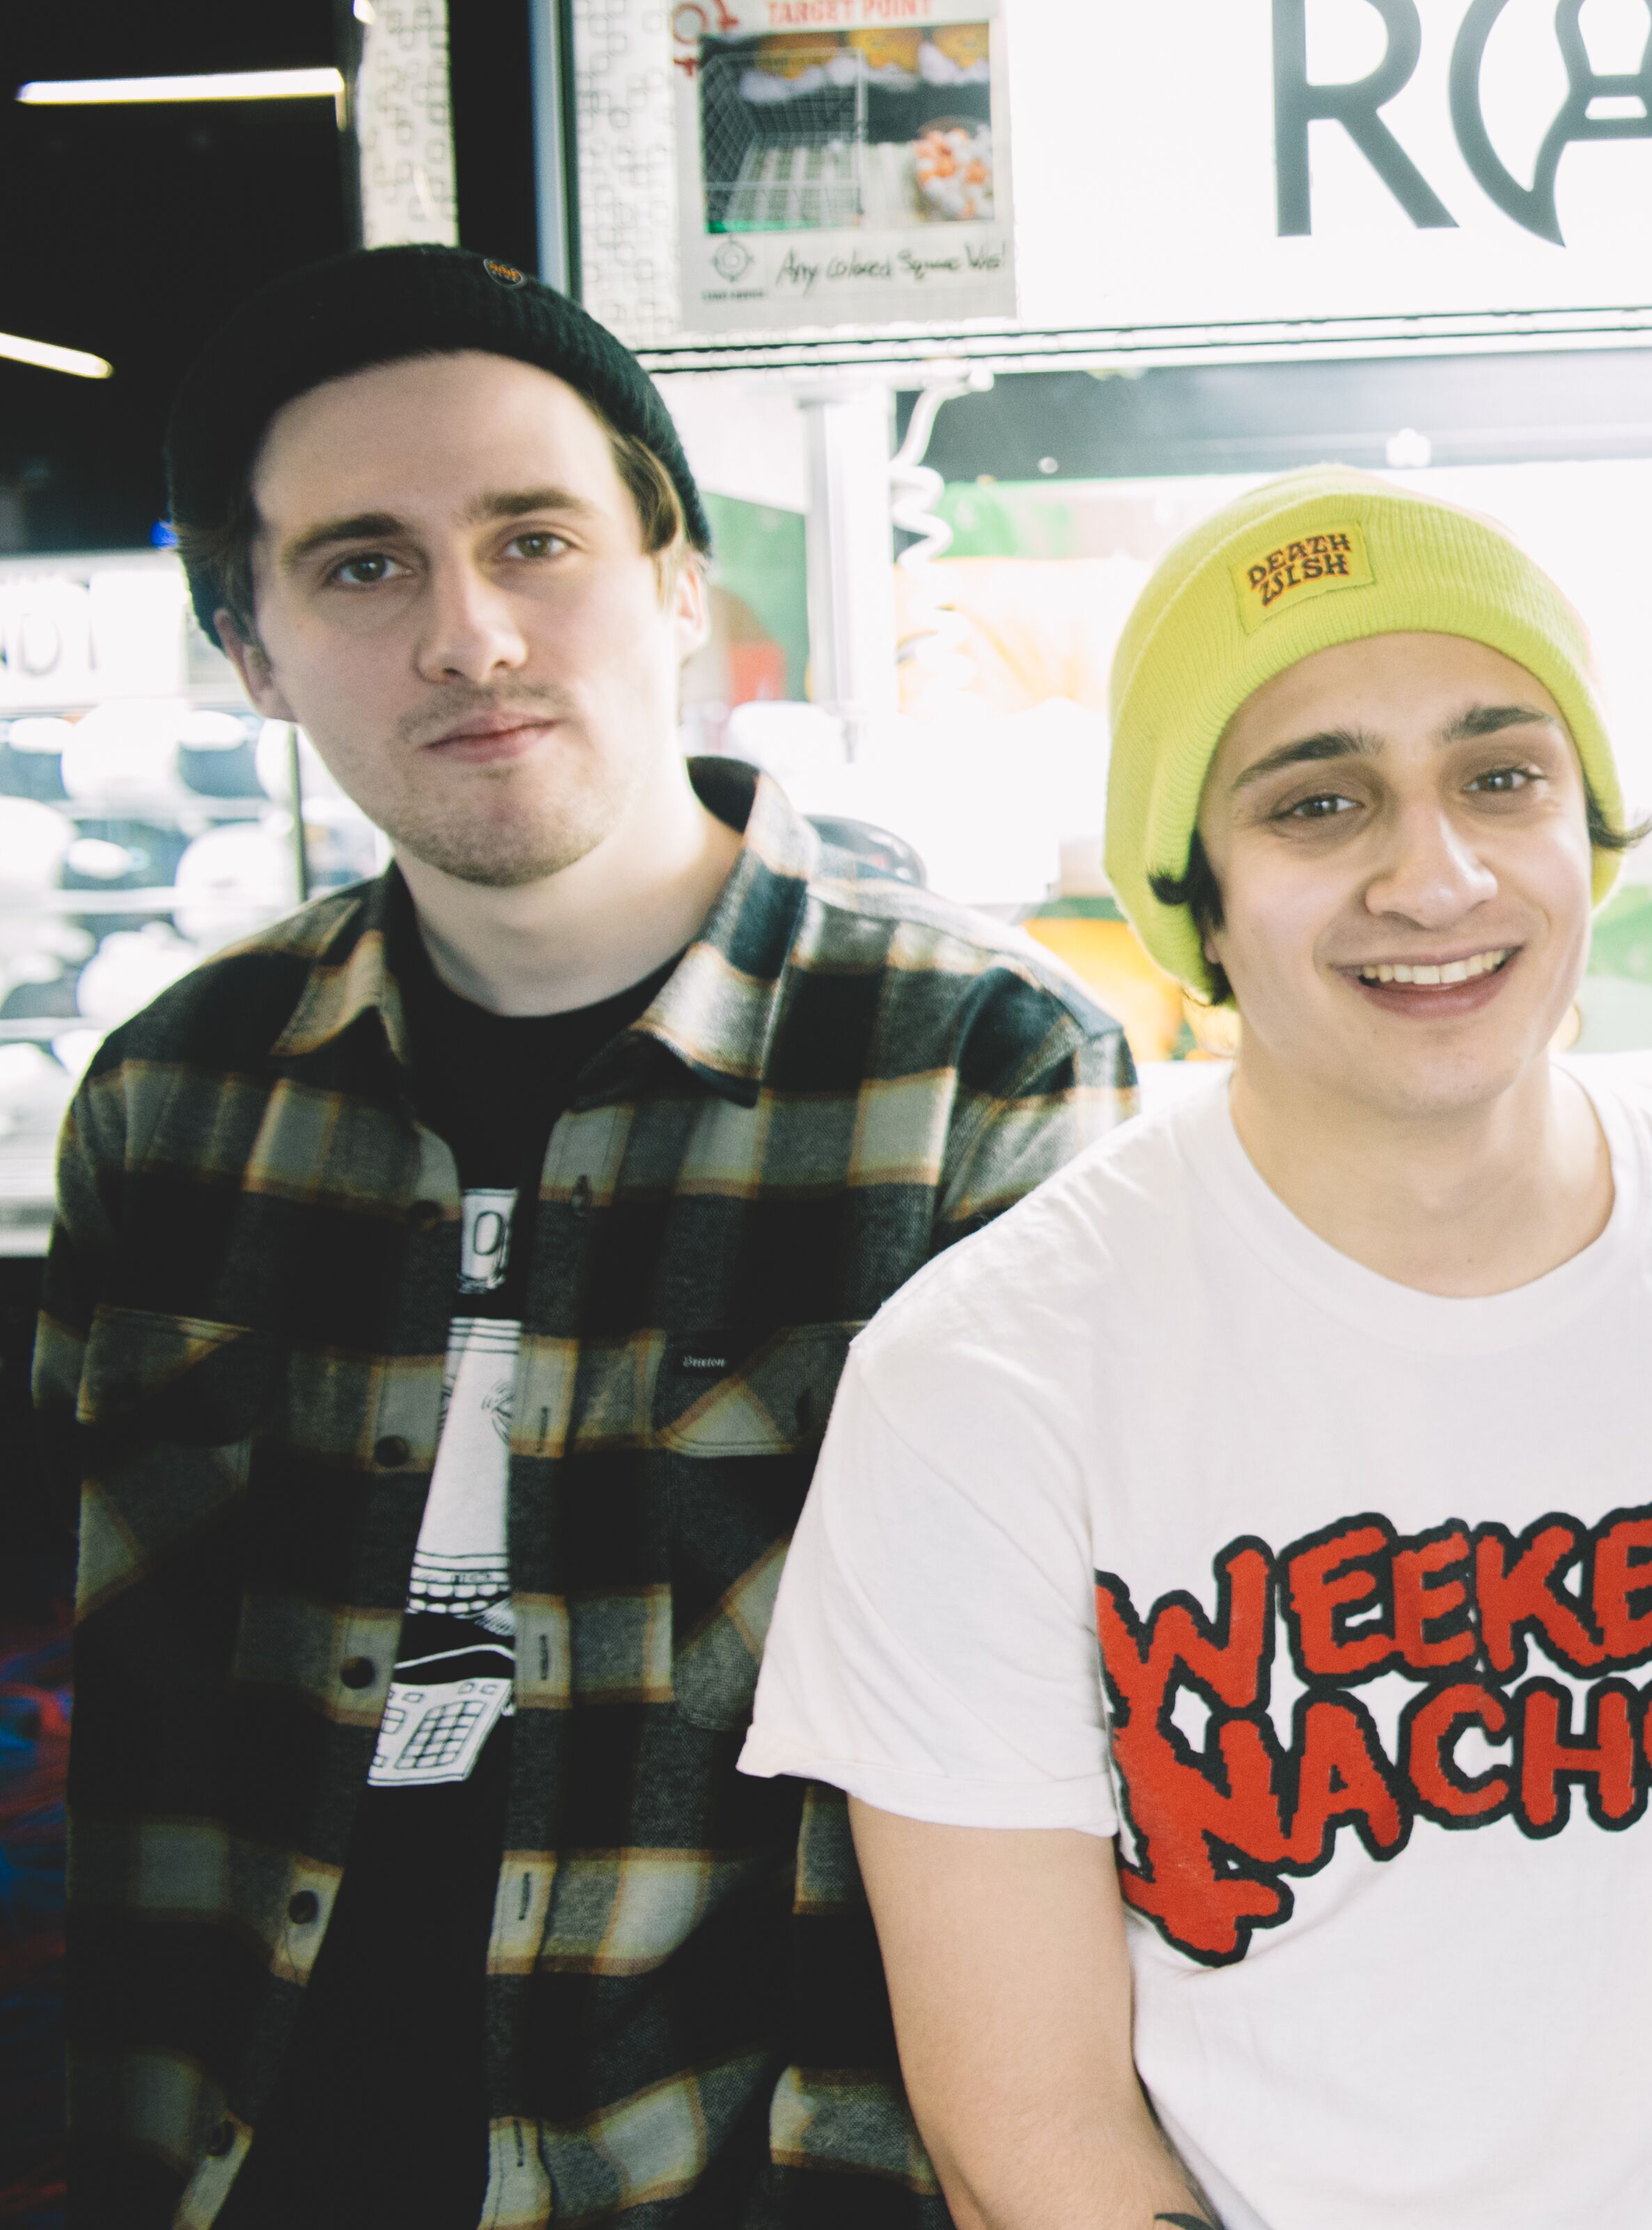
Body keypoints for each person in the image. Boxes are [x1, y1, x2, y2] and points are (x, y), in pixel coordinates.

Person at [42, 245, 1135, 2229]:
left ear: (677, 586)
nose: (468, 635)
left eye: (532, 541)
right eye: (363, 567)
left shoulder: (974, 1069)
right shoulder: (178, 1097)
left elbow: (1041, 1759)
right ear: (253, 655)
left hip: (725, 2175)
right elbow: (132, 1740)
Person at [740, 470, 1652, 2230]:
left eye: (1502, 778)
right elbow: (1030, 2128)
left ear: (1590, 833)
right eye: (1318, 803)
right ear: (1198, 897)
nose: (1434, 876)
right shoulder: (984, 1384)